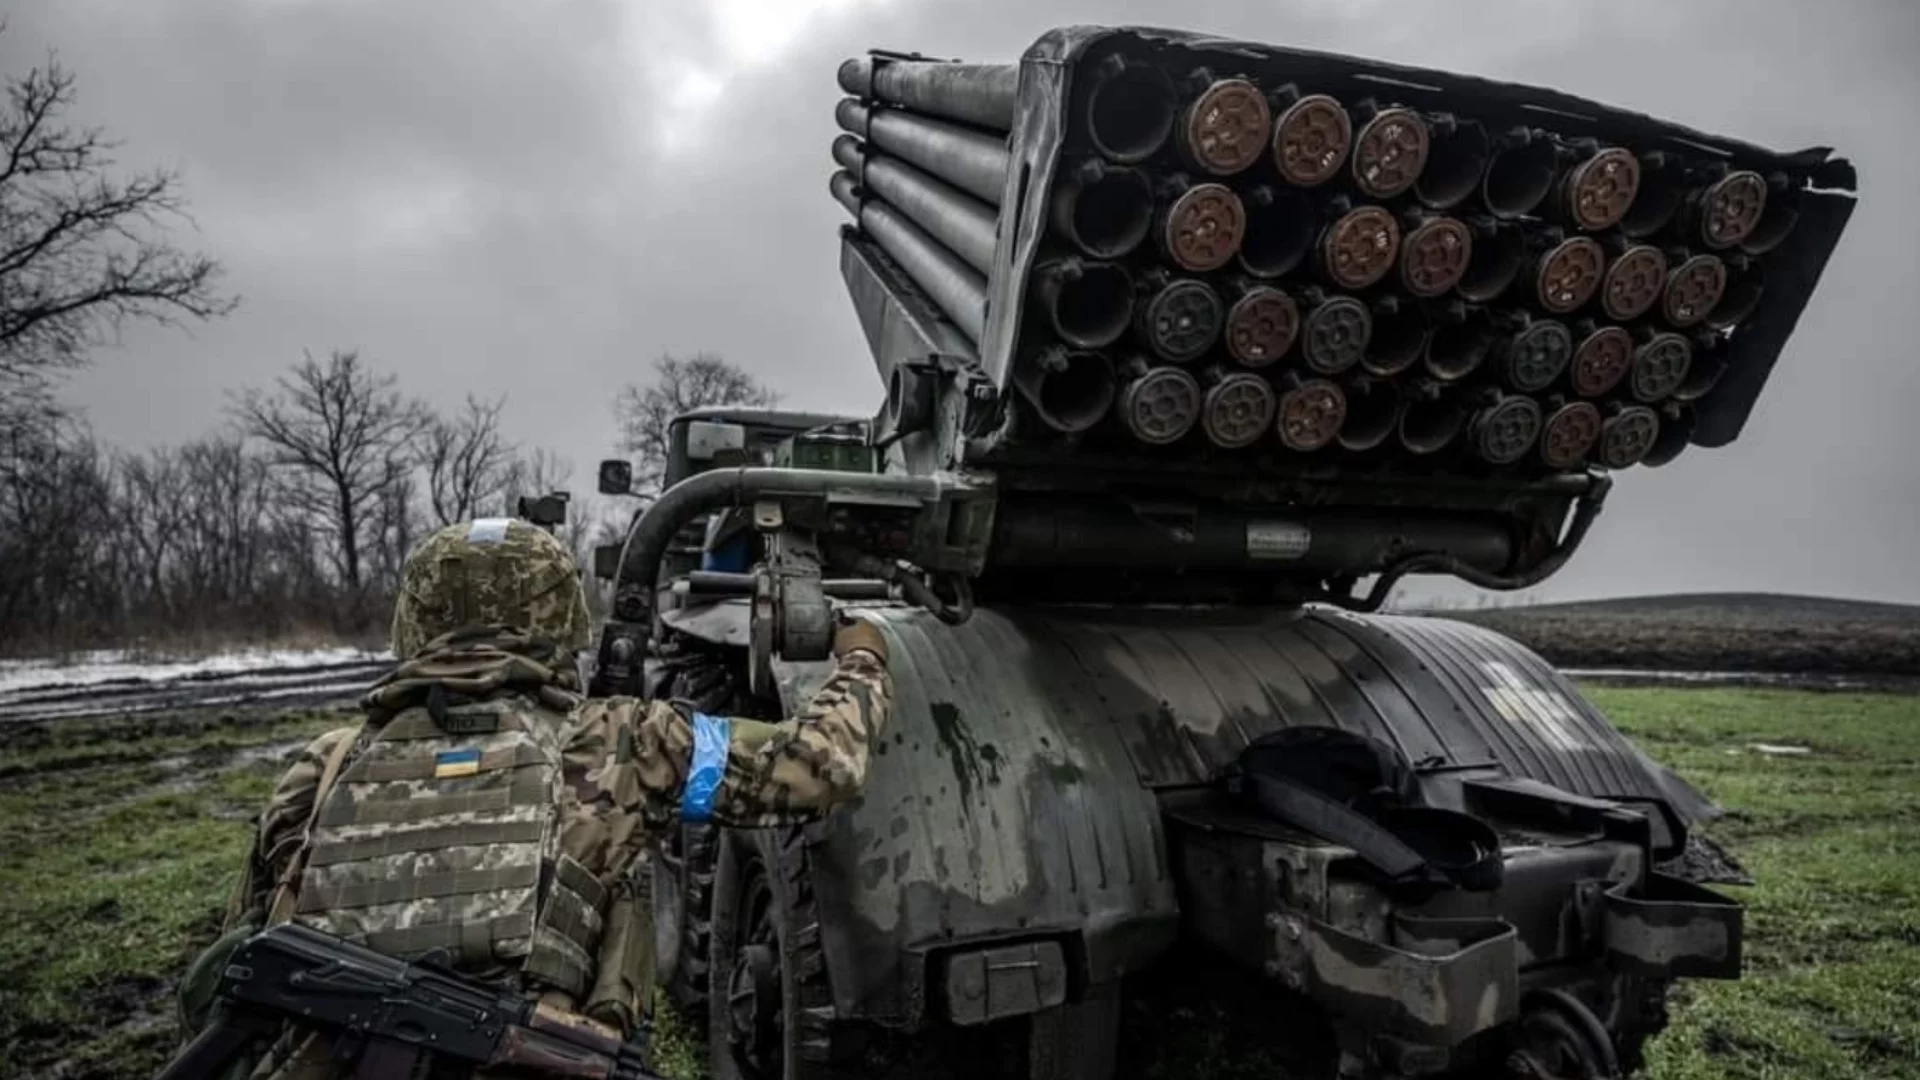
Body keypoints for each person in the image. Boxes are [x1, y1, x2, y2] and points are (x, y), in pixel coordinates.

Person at [177, 516, 893, 1079]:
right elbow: (820, 765)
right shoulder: (626, 745)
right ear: (559, 621)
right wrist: (862, 656)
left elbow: (227, 968)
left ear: (416, 622)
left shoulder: (322, 767)